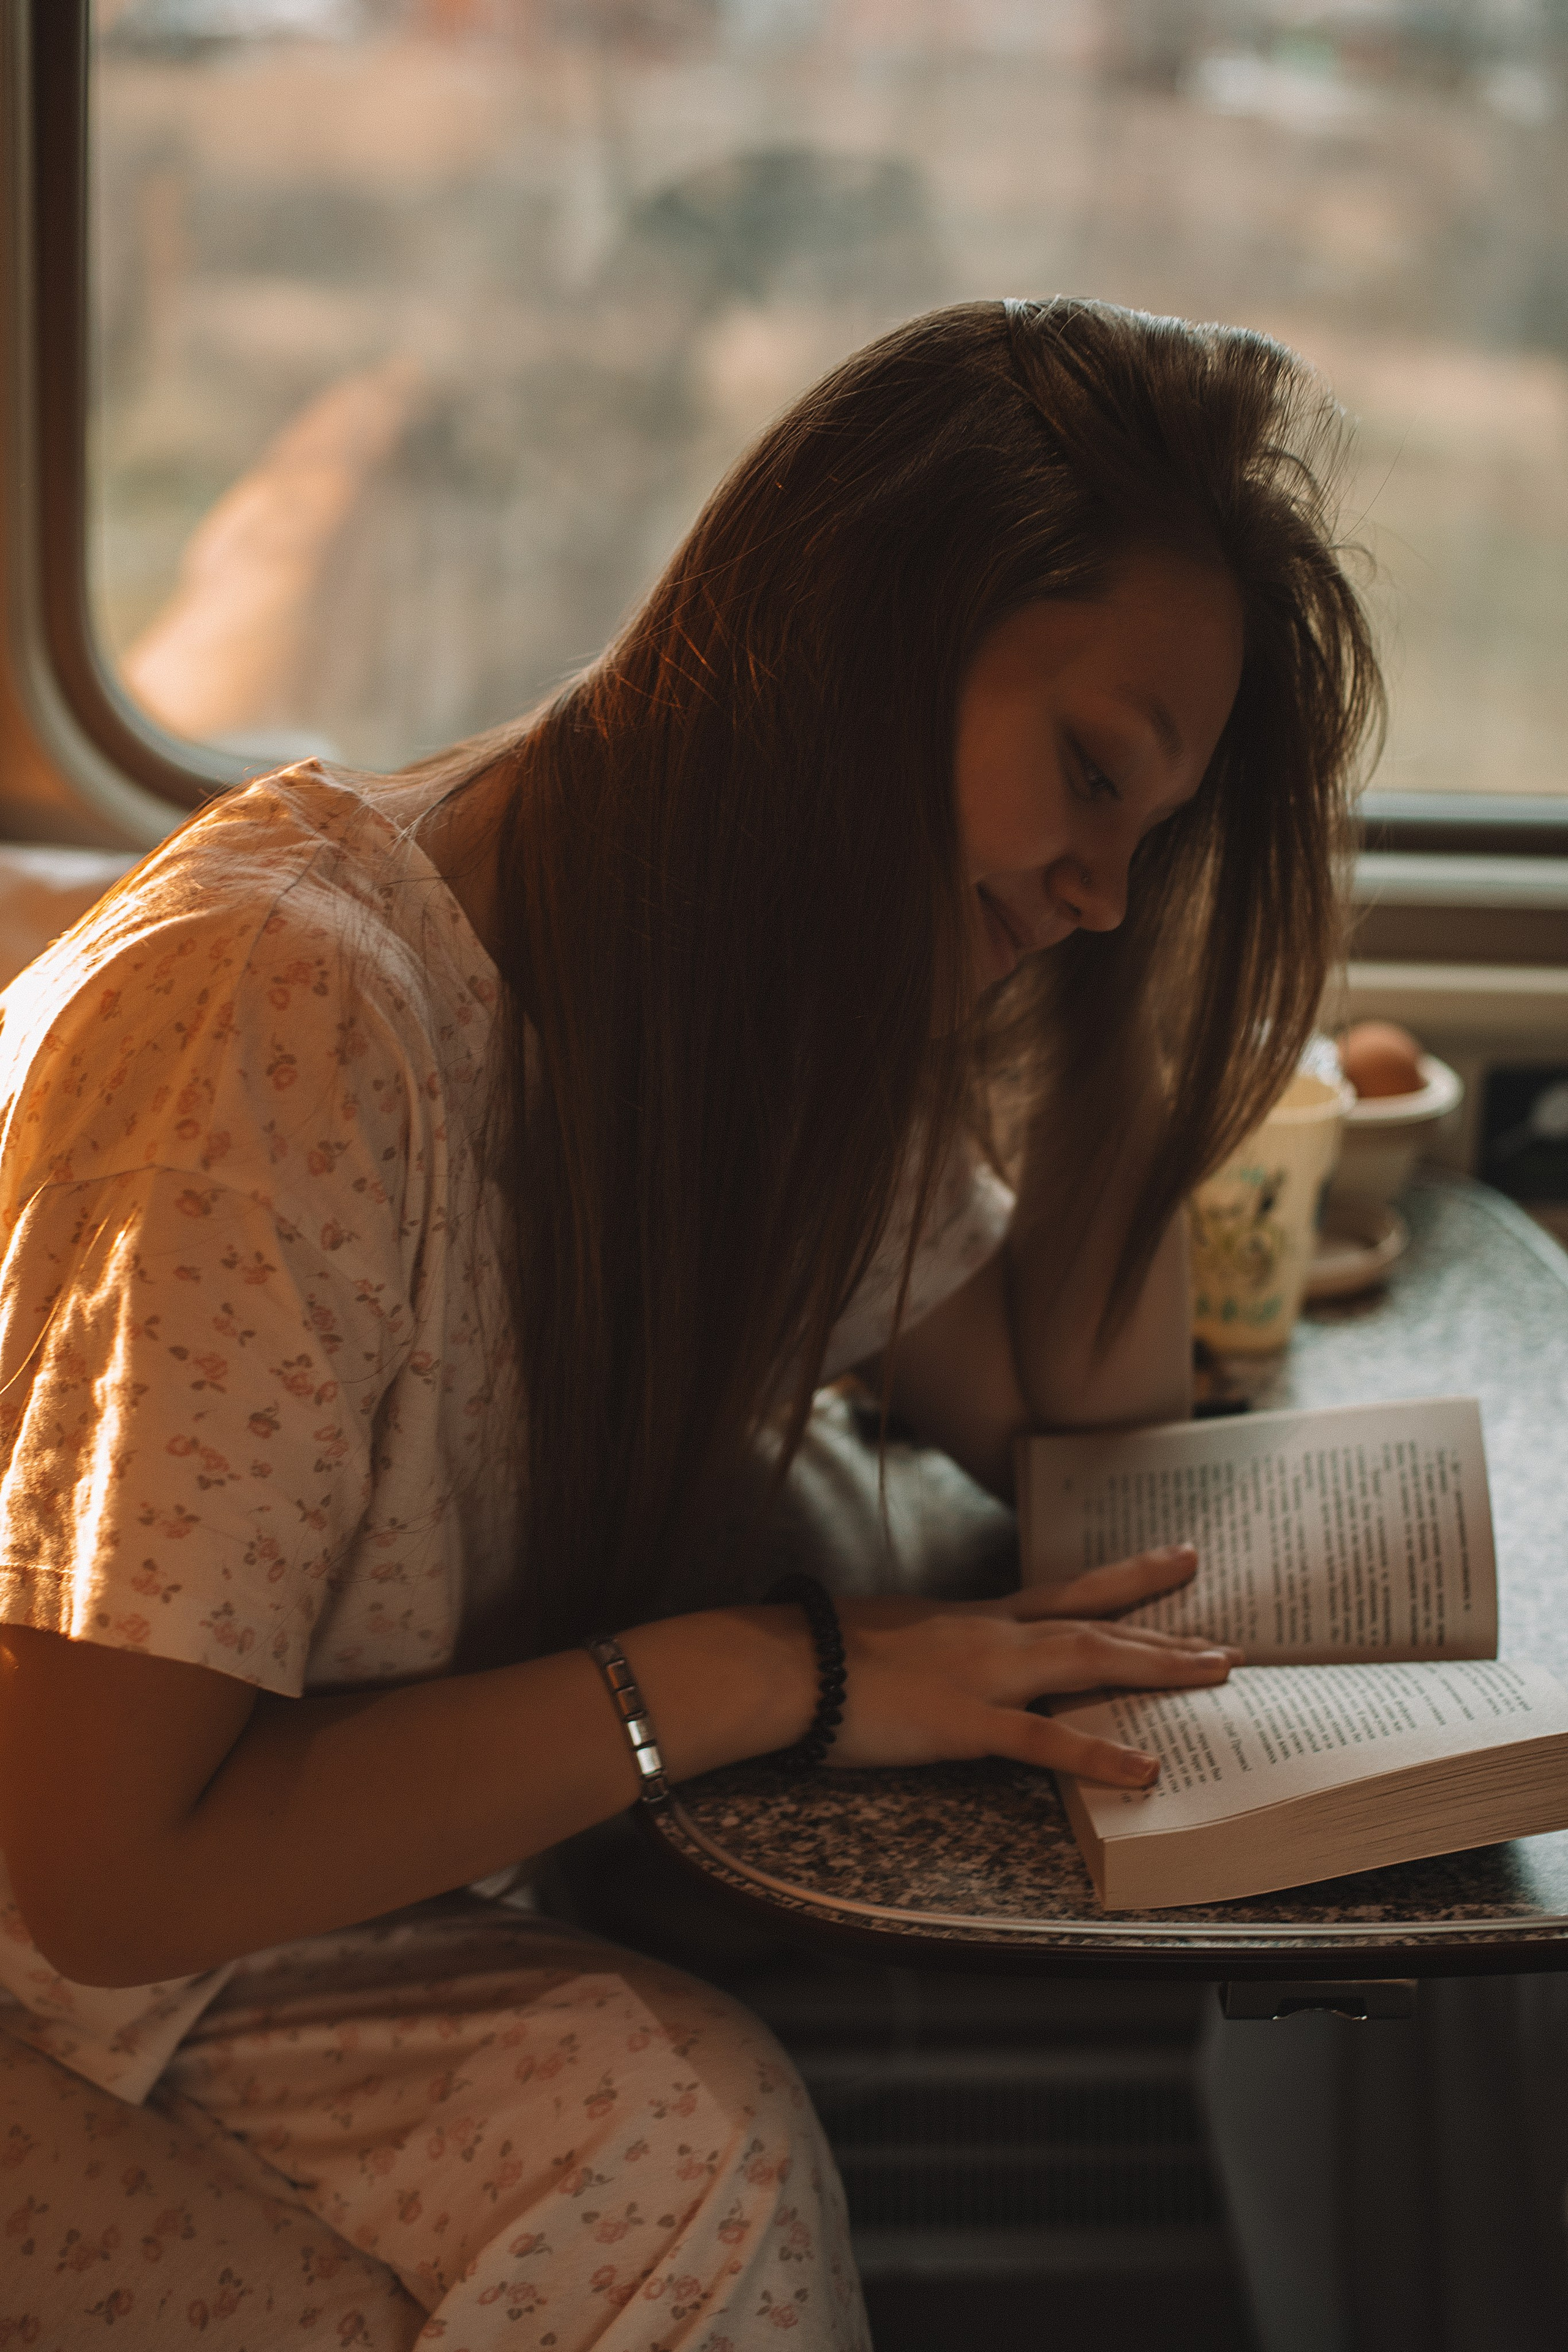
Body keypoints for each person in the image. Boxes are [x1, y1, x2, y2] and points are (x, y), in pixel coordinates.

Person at [0, 296, 1379, 2348]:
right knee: (678, 2160)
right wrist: (767, 1674)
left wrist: (1120, 979)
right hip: (68, 1981)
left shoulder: (736, 1016)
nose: (1098, 878)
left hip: (230, 1967)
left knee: (676, 2139)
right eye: (1085, 769)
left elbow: (1071, 1415)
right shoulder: (278, 1025)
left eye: (1147, 836)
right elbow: (102, 1875)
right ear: (863, 636)